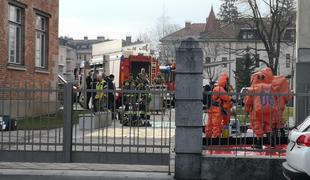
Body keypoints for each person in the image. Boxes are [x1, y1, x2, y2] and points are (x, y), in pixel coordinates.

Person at [245, 68, 276, 149]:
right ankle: (272, 143)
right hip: (269, 110)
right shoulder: (270, 87)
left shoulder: (253, 88)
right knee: (268, 126)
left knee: (258, 126)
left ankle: (259, 143)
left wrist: (247, 110)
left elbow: (248, 101)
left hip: (258, 111)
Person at [205, 73, 232, 138]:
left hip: (213, 108)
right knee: (216, 125)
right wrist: (231, 98)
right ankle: (216, 138)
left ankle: (208, 137)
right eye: (226, 82)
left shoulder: (218, 88)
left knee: (210, 124)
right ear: (224, 81)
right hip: (216, 109)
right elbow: (226, 97)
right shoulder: (219, 88)